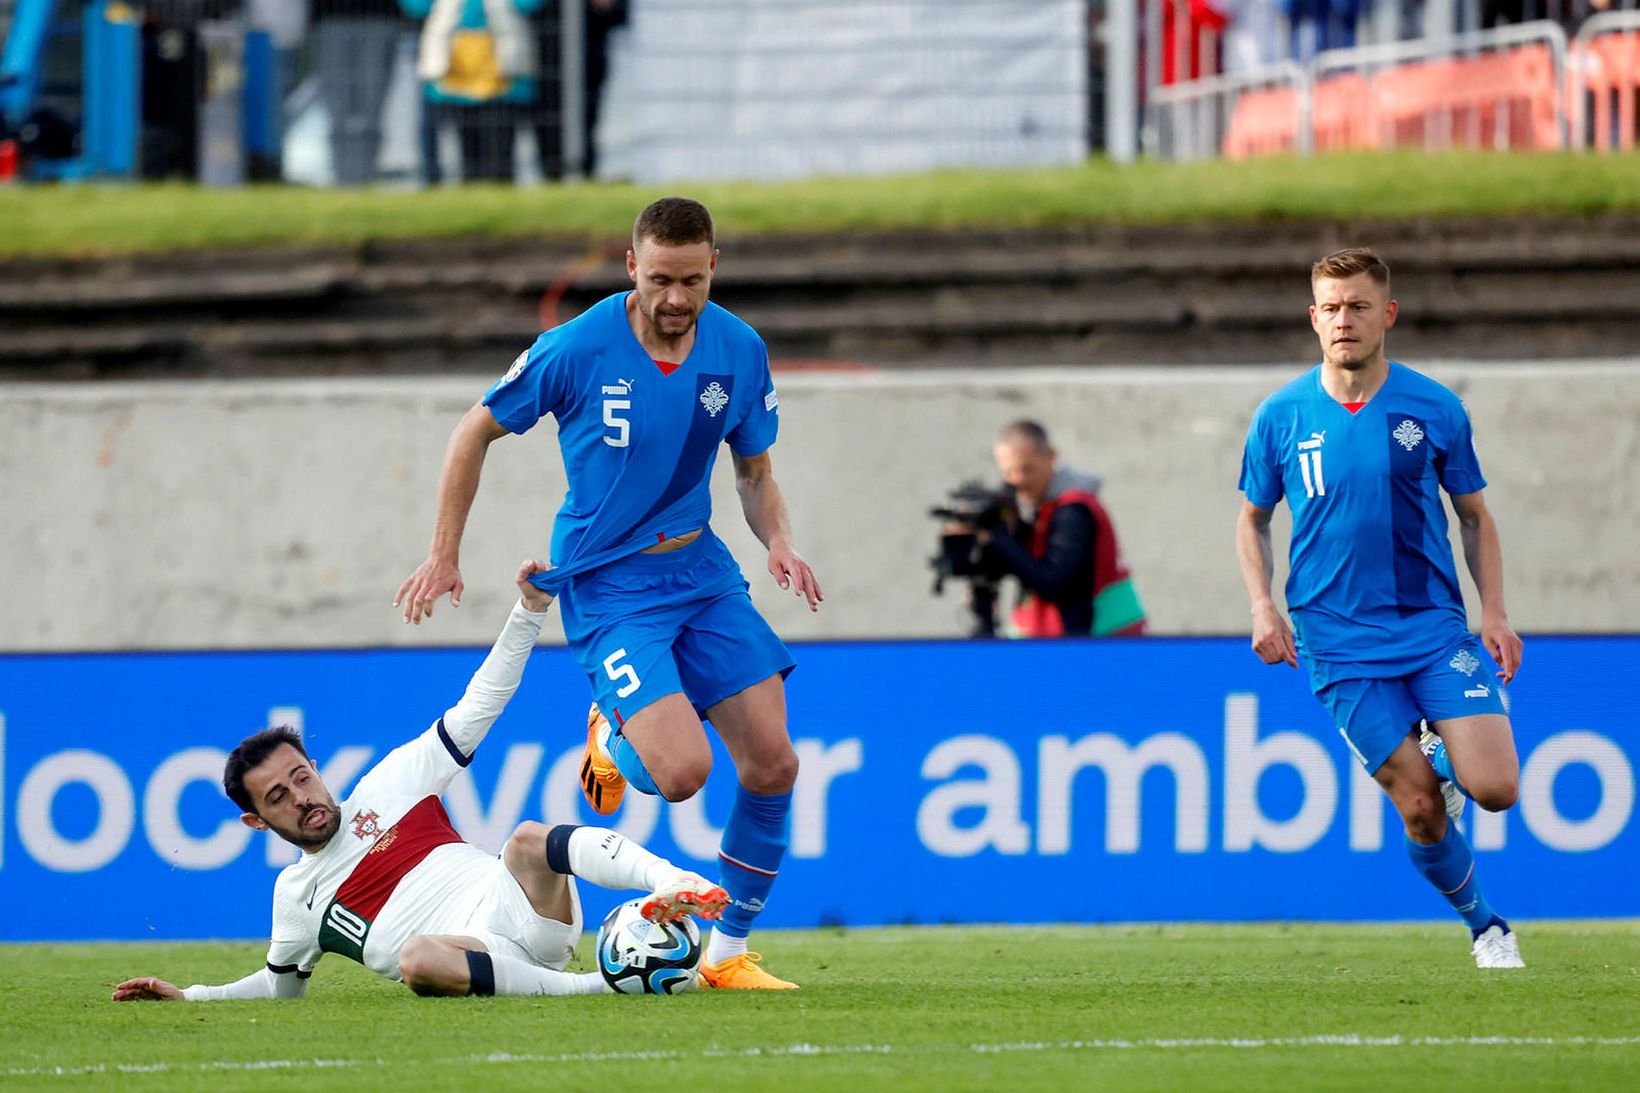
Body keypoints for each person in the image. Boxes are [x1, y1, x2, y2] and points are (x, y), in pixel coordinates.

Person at [394, 197, 823, 990]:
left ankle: (726, 956)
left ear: (712, 270)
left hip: (702, 573)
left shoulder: (739, 349)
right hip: (610, 586)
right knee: (683, 772)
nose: (675, 298)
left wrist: (782, 543)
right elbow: (473, 430)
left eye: (691, 281)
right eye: (660, 278)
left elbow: (754, 473)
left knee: (773, 763)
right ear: (632, 267)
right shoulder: (577, 347)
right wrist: (443, 554)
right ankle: (610, 735)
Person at [112, 561, 728, 1003]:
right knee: (416, 960)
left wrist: (529, 611)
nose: (301, 798)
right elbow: (279, 987)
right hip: (463, 958)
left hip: (525, 910)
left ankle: (673, 880)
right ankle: (599, 985)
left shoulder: (390, 784)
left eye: (301, 778)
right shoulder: (295, 897)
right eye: (278, 797)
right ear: (256, 821)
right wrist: (188, 996)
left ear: (316, 770)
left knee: (524, 840)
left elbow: (477, 707)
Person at [1235, 248, 1526, 969]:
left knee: (1495, 788)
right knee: (1421, 805)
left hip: (1430, 627)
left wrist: (1494, 612)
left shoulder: (1434, 407)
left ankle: (1439, 743)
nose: (1344, 320)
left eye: (1359, 305)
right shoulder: (1280, 415)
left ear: (1386, 314)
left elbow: (1475, 517)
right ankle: (1488, 927)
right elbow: (1251, 520)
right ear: (1313, 318)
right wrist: (1261, 608)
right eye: (1331, 307)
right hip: (1336, 641)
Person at [954, 420, 1146, 639]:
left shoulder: (1073, 511)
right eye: (1008, 473)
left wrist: (998, 538)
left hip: (1103, 645)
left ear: (1051, 456)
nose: (1018, 481)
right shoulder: (1043, 513)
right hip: (1070, 646)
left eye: (1026, 469)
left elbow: (1053, 580)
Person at [312, 0, 406, 186]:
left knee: (371, 111)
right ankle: (343, 178)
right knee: (338, 112)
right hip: (332, 18)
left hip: (379, 17)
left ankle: (366, 177)